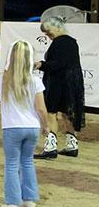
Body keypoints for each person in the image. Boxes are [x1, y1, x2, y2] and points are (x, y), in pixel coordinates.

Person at [0, 40, 47, 207]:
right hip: (32, 128)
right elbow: (40, 108)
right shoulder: (35, 81)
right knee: (27, 162)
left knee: (12, 164)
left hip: (11, 128)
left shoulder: (0, 79)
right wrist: (46, 127)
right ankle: (29, 201)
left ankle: (12, 202)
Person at [33, 16, 85, 159]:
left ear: (57, 27)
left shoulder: (59, 42)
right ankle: (72, 145)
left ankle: (50, 147)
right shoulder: (72, 42)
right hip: (71, 82)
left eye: (48, 32)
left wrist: (41, 65)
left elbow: (59, 63)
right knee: (67, 113)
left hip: (58, 82)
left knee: (51, 112)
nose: (47, 35)